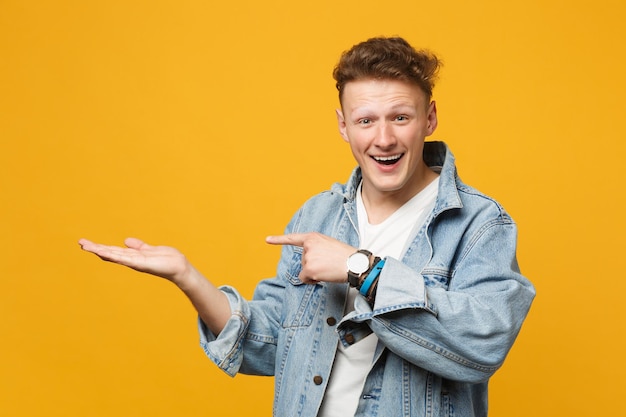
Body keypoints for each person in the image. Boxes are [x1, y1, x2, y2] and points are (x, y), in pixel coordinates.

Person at [79, 36, 535, 417]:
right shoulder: (317, 216)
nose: (384, 138)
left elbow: (485, 343)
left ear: (429, 119)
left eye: (401, 116)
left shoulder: (478, 223)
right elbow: (270, 343)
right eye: (365, 120)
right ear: (343, 126)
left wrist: (362, 268)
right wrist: (187, 277)